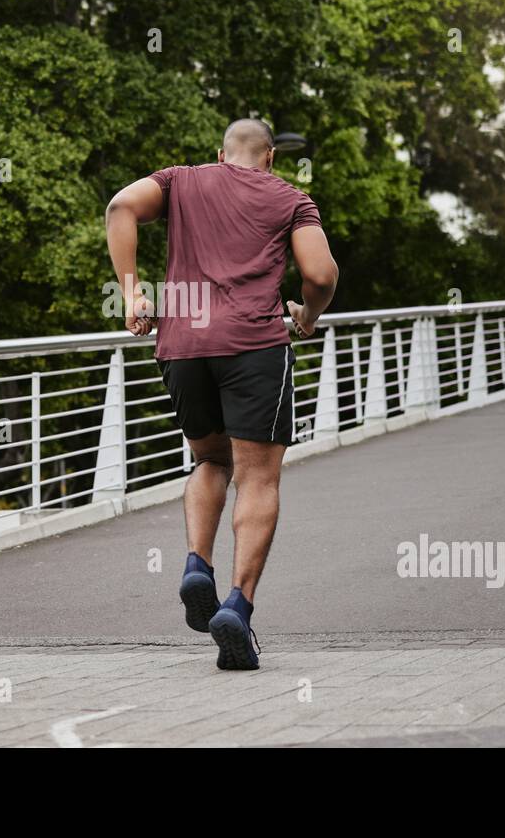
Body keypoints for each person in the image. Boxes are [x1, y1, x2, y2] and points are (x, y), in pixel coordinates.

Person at [104, 118, 339, 669]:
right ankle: (237, 605)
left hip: (183, 345)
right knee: (257, 477)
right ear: (271, 158)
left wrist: (133, 293)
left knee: (209, 459)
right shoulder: (291, 199)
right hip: (254, 347)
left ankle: (196, 565)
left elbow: (119, 206)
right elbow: (322, 274)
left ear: (220, 152)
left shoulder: (180, 180)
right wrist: (307, 313)